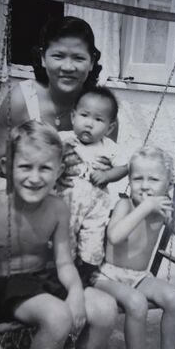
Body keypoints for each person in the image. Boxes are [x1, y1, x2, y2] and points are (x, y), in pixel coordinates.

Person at [0, 16, 118, 349]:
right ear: (42, 56)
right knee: (49, 317)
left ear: (92, 61)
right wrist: (46, 170)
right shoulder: (22, 98)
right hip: (31, 236)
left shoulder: (98, 103)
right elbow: (1, 162)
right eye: (58, 55)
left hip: (75, 244)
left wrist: (101, 171)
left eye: (79, 58)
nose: (68, 66)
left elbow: (104, 167)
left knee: (104, 311)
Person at [0, 121, 85, 349]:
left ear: (59, 171)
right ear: (7, 166)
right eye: (25, 166)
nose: (34, 177)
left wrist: (76, 293)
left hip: (37, 284)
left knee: (102, 308)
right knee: (59, 316)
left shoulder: (57, 209)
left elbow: (64, 263)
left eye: (45, 168)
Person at [94, 146, 175, 349]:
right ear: (129, 181)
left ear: (168, 184)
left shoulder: (163, 209)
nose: (144, 186)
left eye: (153, 180)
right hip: (106, 277)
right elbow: (115, 236)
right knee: (136, 302)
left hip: (140, 276)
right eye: (137, 178)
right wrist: (146, 207)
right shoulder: (125, 204)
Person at [58, 85, 128, 281]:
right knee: (64, 240)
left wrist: (107, 176)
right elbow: (45, 155)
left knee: (93, 240)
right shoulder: (64, 139)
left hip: (96, 207)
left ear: (110, 127)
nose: (89, 124)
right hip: (66, 204)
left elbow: (124, 167)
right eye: (84, 115)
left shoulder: (109, 147)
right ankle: (63, 276)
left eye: (98, 119)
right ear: (73, 117)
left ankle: (86, 275)